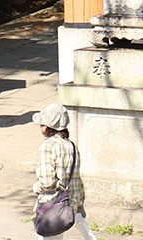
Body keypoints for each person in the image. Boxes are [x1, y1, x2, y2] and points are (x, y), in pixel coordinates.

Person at [32, 103, 96, 240]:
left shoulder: (47, 146)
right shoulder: (71, 145)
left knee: (47, 236)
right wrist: (79, 203)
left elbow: (47, 183)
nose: (40, 127)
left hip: (53, 204)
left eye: (41, 124)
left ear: (48, 127)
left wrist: (36, 188)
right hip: (72, 201)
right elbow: (76, 178)